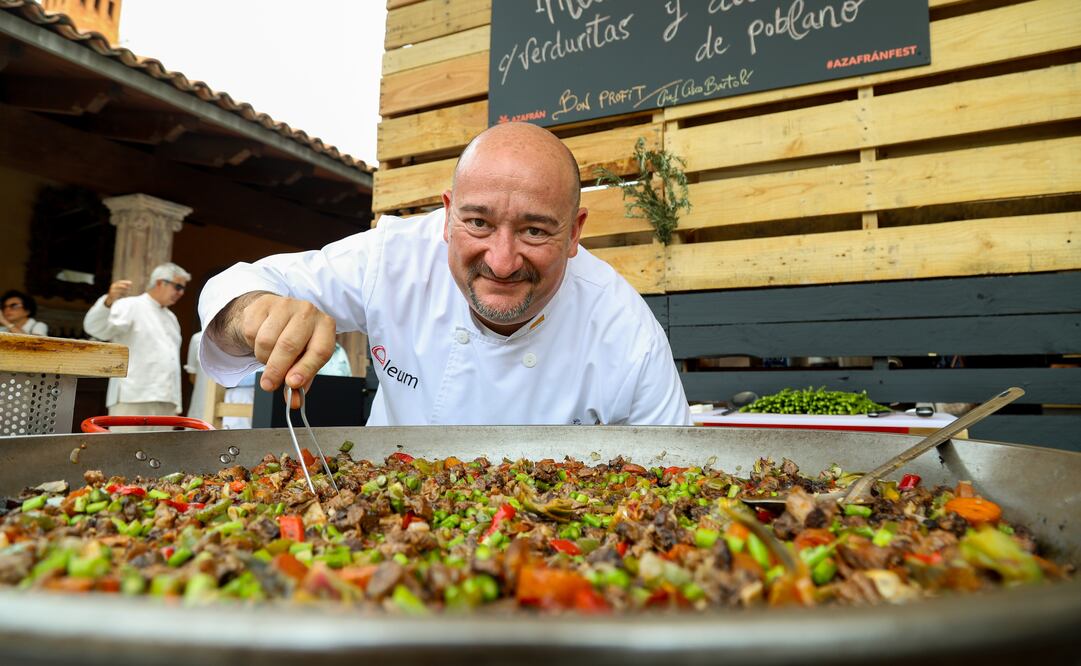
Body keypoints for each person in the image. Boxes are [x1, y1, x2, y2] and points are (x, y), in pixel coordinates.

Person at [199, 122, 690, 426]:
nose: (501, 261)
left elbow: (678, 480)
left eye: (535, 230)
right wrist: (255, 313)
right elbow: (234, 288)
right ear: (448, 214)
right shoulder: (393, 258)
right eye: (478, 223)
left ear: (575, 232)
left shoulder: (627, 333)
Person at [83, 263, 190, 430]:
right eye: (178, 287)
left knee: (160, 454)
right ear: (160, 282)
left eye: (183, 289)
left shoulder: (172, 319)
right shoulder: (130, 305)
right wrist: (109, 301)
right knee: (125, 452)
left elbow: (171, 360)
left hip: (166, 401)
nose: (181, 293)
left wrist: (175, 402)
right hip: (132, 396)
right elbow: (96, 328)